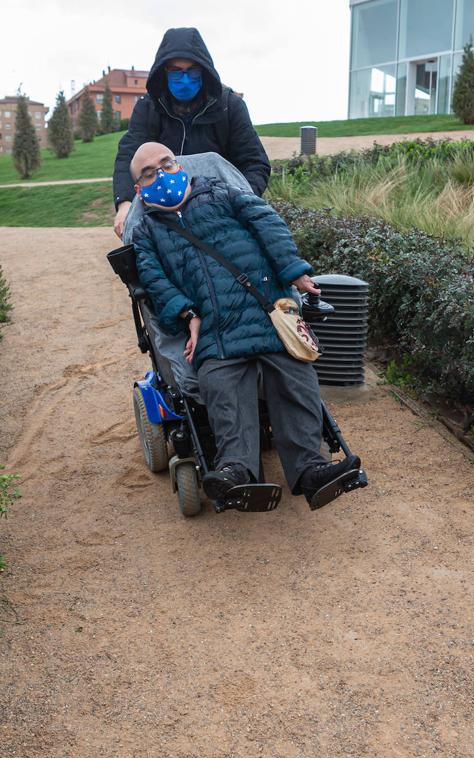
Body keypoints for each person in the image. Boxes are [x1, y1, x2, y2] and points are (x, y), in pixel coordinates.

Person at [131, 142, 361, 509]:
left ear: (179, 165)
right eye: (148, 173)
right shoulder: (146, 232)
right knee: (221, 385)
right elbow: (155, 281)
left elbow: (268, 223)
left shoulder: (221, 192)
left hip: (266, 315)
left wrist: (295, 271)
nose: (161, 174)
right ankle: (237, 469)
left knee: (295, 377)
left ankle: (311, 469)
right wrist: (188, 316)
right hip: (216, 332)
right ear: (139, 189)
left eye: (166, 163)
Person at [113, 27, 271, 239]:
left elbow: (254, 163)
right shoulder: (147, 108)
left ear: (204, 71)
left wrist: (237, 202)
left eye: (193, 71)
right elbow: (129, 155)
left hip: (220, 213)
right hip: (163, 215)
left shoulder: (230, 106)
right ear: (164, 72)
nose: (185, 79)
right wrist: (124, 204)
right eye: (176, 71)